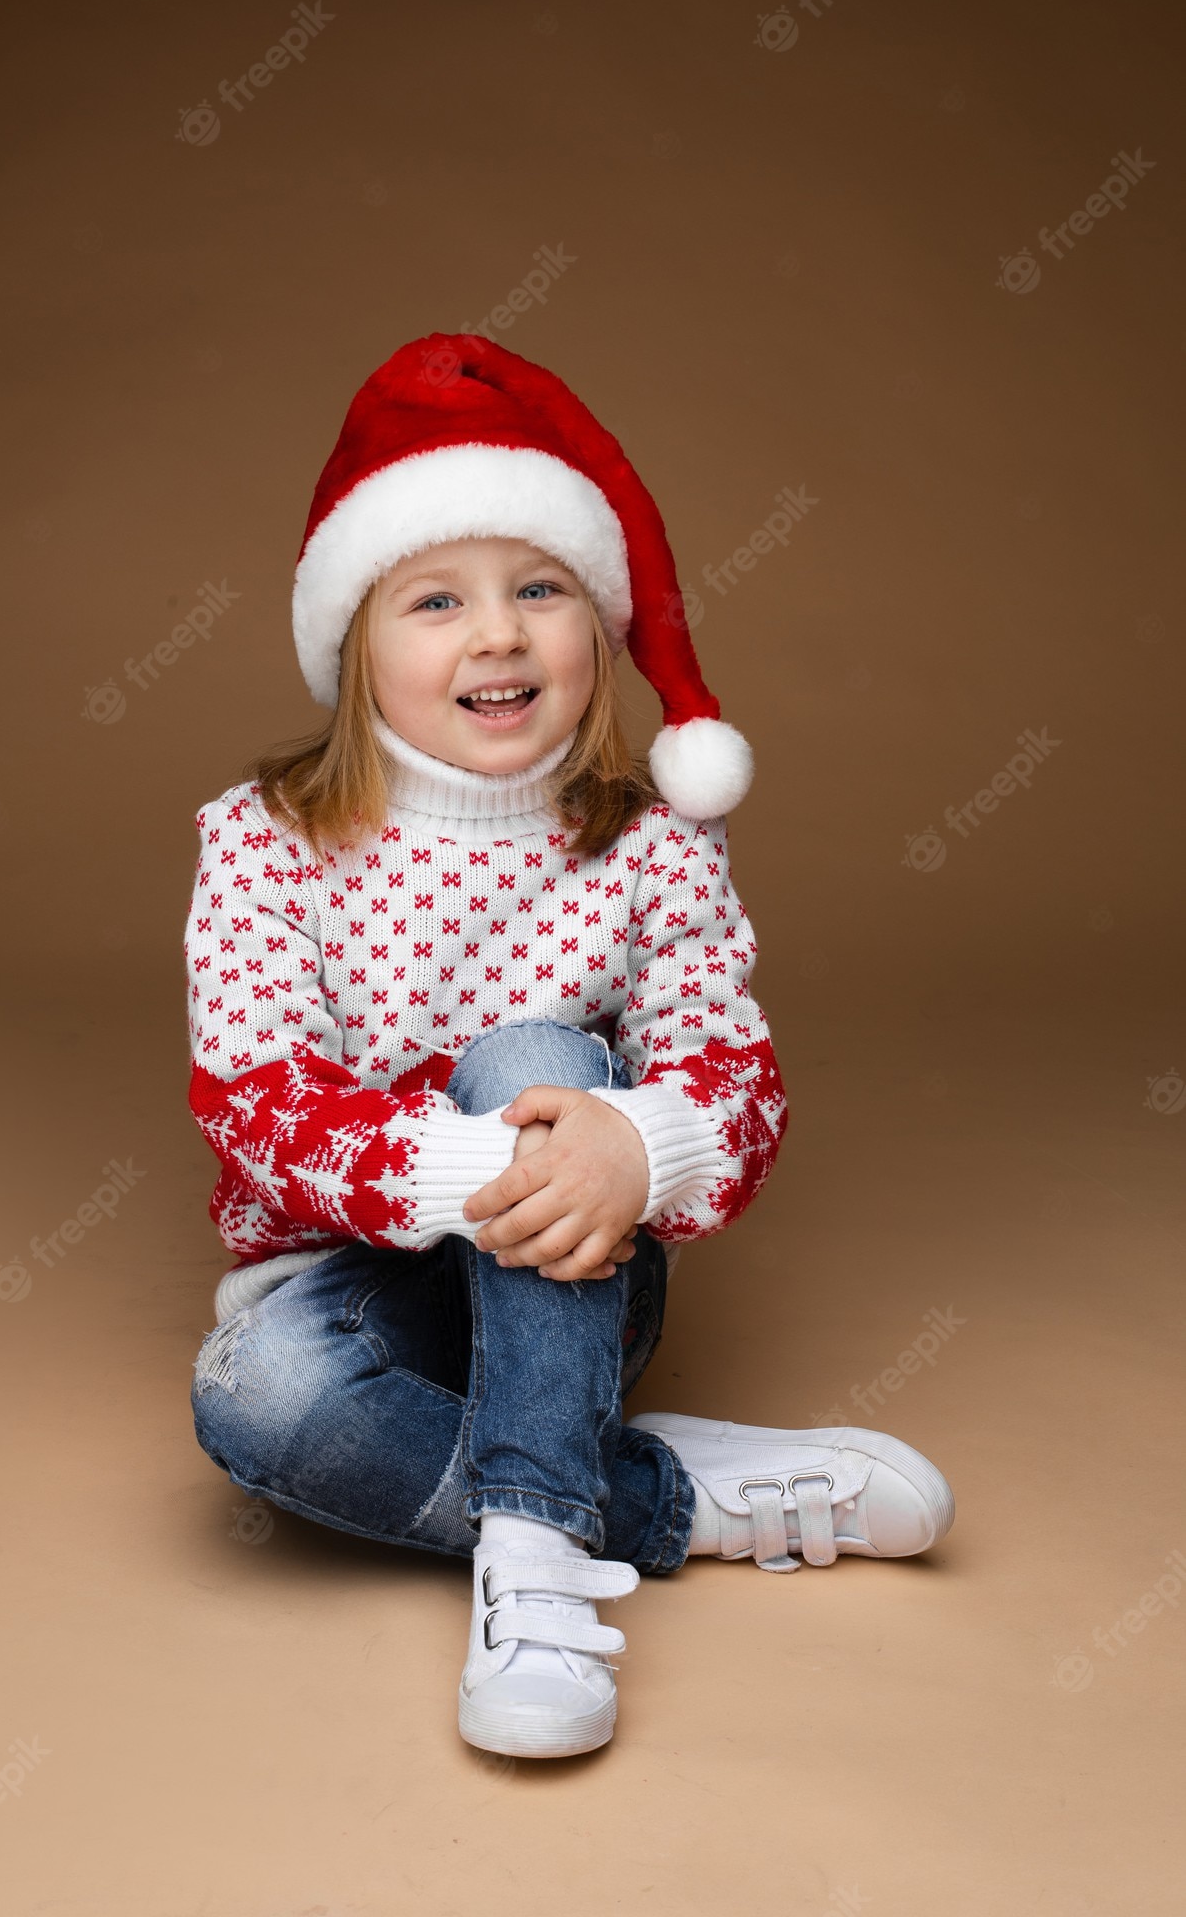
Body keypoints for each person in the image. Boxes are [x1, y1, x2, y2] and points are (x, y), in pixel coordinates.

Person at [184, 333, 955, 1761]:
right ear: (355, 643)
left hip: (576, 1273)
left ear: (594, 626)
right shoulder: (264, 845)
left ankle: (534, 1569)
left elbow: (738, 1080)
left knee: (533, 1042)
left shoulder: (652, 850)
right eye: (436, 598)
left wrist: (626, 1145)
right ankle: (664, 1492)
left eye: (540, 589)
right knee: (256, 1401)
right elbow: (257, 1093)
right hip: (359, 1290)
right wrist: (492, 1166)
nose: (497, 634)